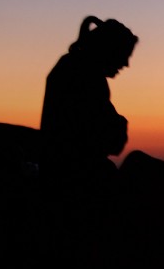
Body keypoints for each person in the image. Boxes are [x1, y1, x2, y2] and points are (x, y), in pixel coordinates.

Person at [39, 15, 138, 194]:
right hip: (75, 179)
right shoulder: (83, 75)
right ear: (107, 49)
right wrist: (119, 124)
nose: (125, 64)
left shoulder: (74, 67)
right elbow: (110, 139)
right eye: (123, 55)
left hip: (67, 172)